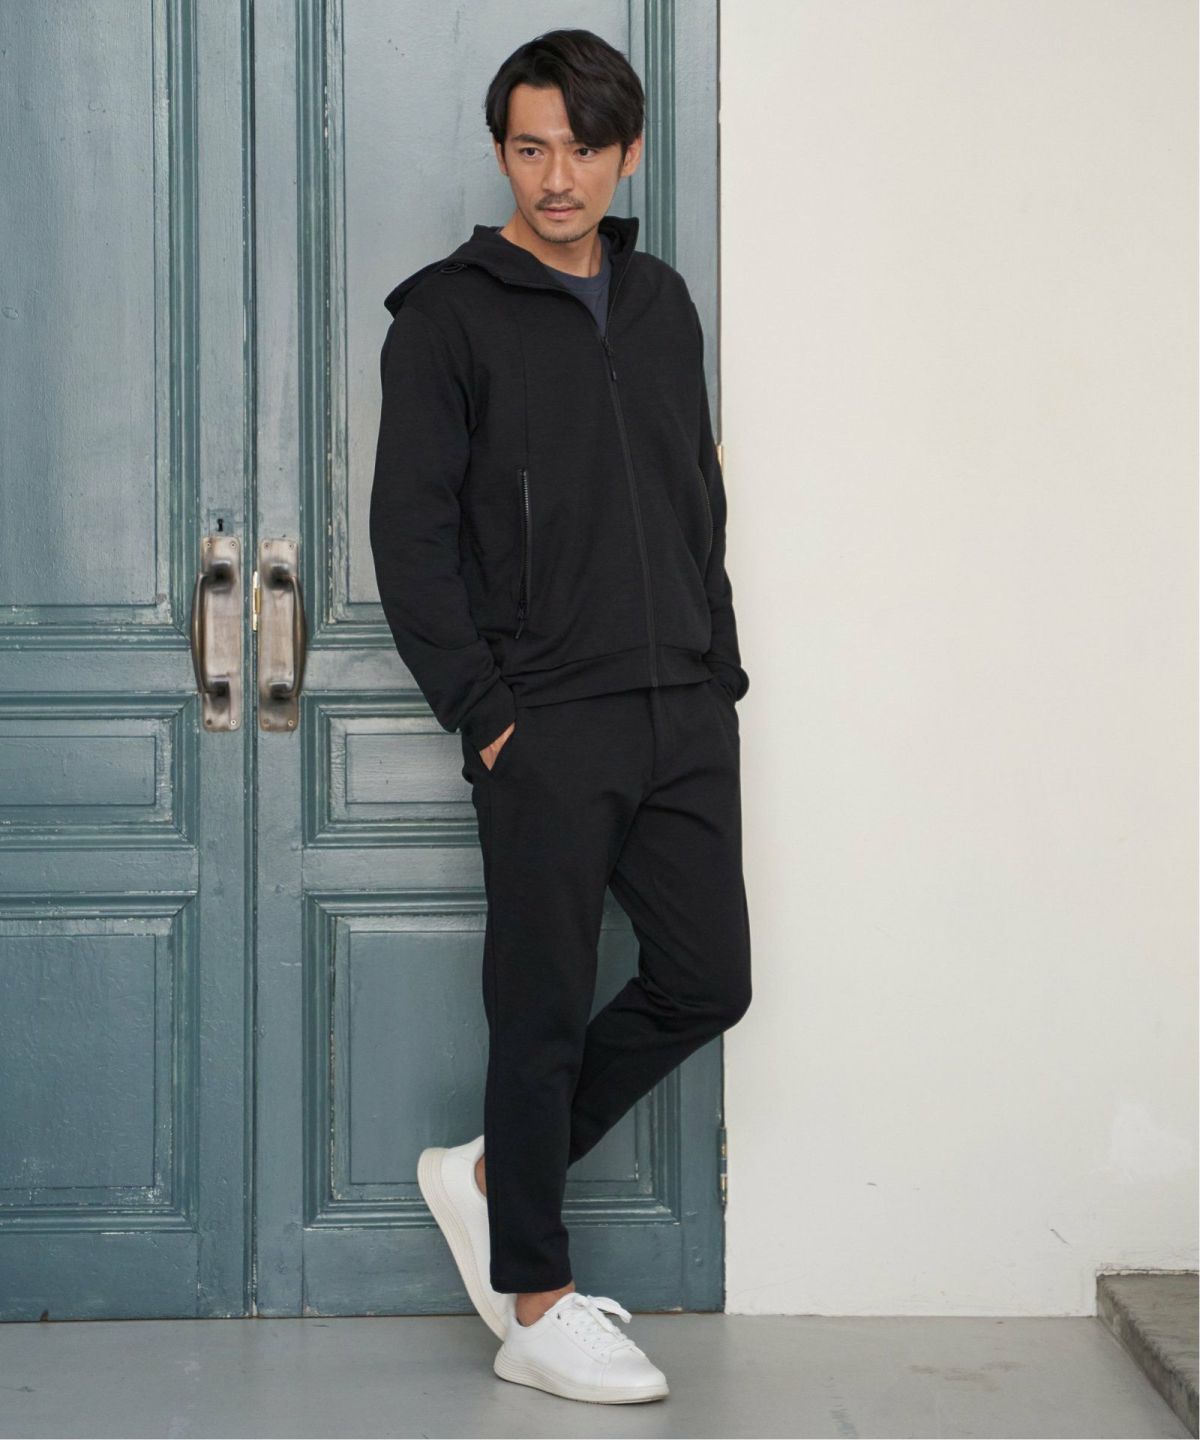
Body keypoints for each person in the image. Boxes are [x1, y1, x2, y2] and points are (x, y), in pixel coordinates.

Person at [369, 27, 752, 1406]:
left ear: (626, 155)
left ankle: (492, 1176)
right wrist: (486, 712)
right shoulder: (445, 317)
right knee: (538, 1009)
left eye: (583, 150)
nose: (556, 178)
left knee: (710, 978)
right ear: (502, 152)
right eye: (531, 148)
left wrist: (718, 669)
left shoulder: (661, 303)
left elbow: (695, 494)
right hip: (543, 720)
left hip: (680, 706)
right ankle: (533, 1302)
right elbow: (410, 538)